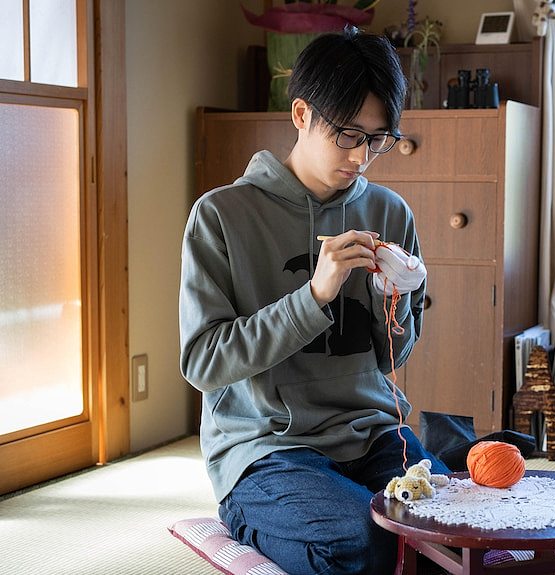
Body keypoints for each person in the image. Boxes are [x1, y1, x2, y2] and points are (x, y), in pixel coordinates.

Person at [179, 28, 449, 575]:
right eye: (347, 135)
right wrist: (316, 294)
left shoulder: (391, 214)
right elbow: (204, 363)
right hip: (266, 448)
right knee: (361, 543)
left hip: (372, 433)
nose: (361, 157)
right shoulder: (221, 216)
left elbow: (393, 358)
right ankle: (251, 517)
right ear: (301, 114)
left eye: (377, 140)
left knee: (452, 529)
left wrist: (394, 297)